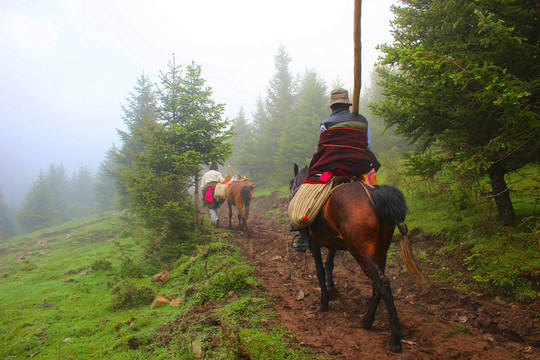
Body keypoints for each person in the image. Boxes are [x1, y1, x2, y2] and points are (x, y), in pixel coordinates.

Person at [291, 88, 380, 252]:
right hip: (360, 167)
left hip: (332, 169)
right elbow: (368, 146)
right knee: (375, 189)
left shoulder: (326, 124)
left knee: (300, 193)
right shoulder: (363, 121)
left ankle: (304, 237)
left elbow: (323, 148)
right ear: (347, 105)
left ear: (331, 107)